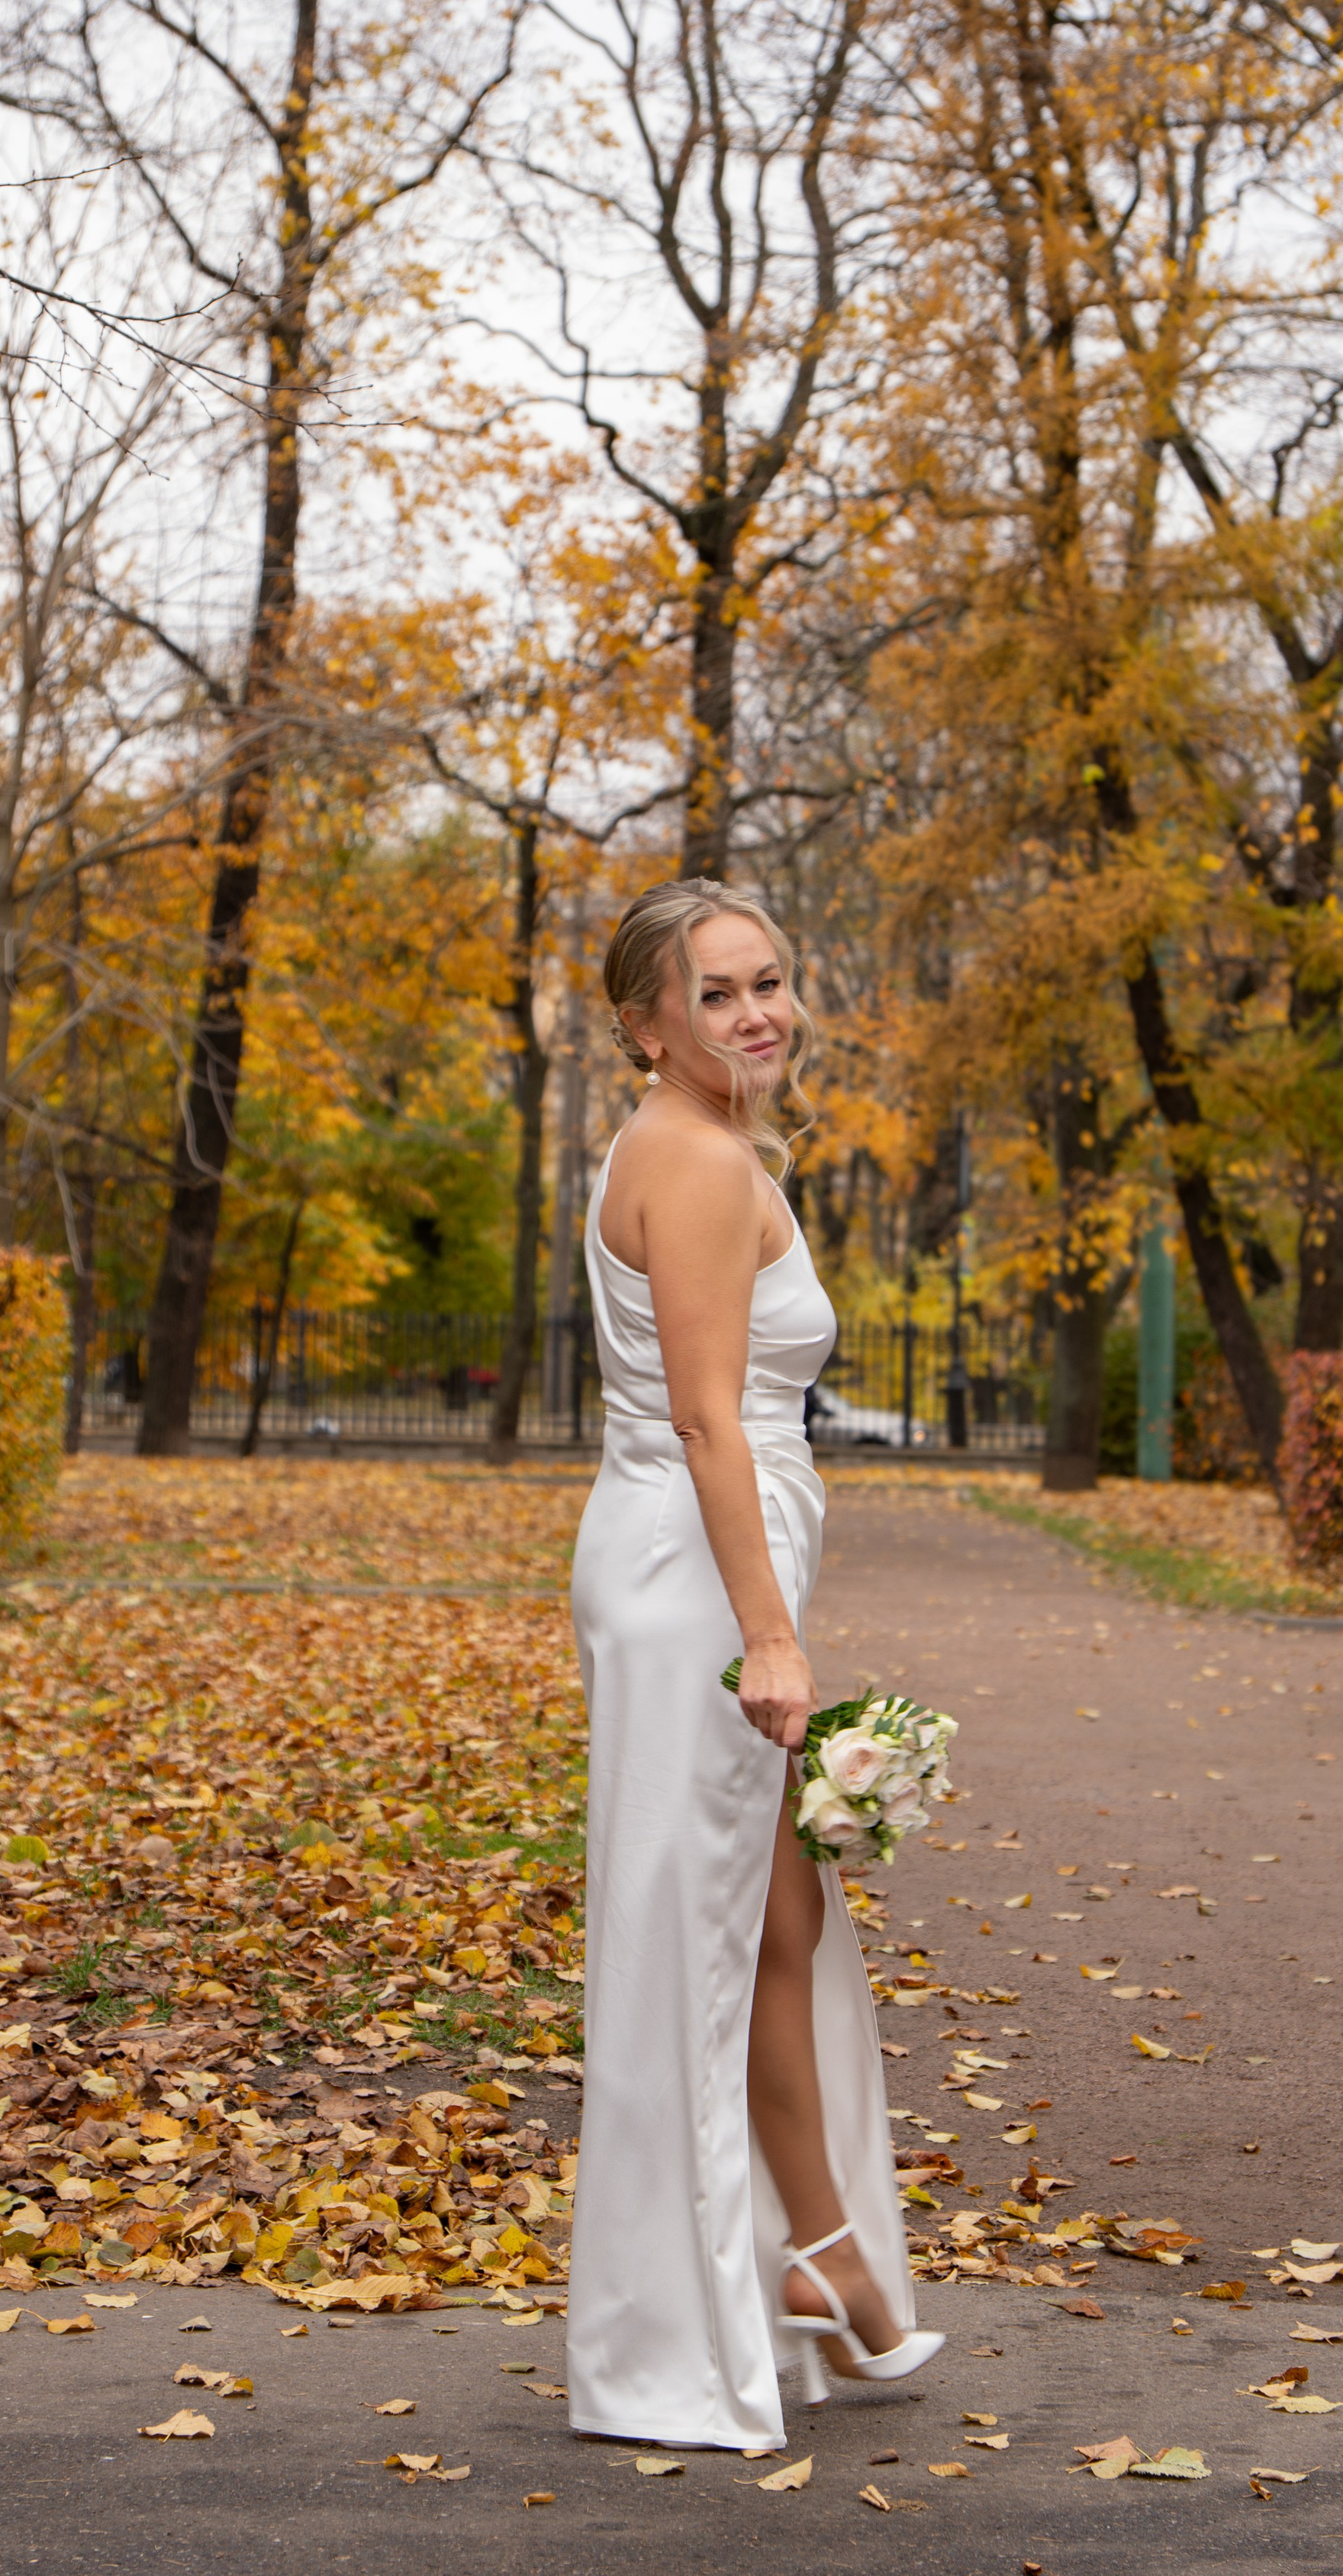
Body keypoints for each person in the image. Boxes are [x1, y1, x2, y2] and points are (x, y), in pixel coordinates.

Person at [565, 876, 944, 2452]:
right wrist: (771, 1637)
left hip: (687, 1564)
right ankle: (672, 2331)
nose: (756, 1013)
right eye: (715, 993)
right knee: (702, 1945)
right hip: (696, 1584)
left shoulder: (683, 1144)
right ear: (645, 1024)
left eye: (769, 981)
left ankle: (818, 2249)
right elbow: (712, 1421)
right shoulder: (702, 1162)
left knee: (775, 1921)